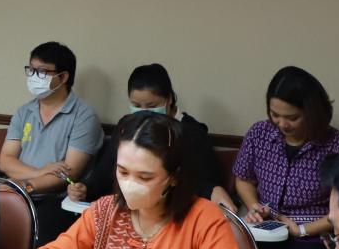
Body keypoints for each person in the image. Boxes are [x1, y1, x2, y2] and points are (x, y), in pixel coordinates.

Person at [23, 114, 251, 249]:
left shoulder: (203, 217)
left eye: (145, 177)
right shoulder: (105, 211)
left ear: (174, 177)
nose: (130, 184)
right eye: (123, 172)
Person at [232, 66, 339, 249]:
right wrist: (254, 206)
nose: (282, 124)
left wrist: (301, 229)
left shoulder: (338, 146)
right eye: (275, 115)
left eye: (292, 117)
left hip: (315, 238)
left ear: (313, 112)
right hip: (266, 230)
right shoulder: (260, 133)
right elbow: (243, 178)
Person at [69, 64, 232, 211]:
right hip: (126, 209)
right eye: (136, 106)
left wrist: (211, 191)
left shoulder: (191, 132)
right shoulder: (125, 127)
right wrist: (85, 188)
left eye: (152, 106)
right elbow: (104, 172)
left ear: (168, 100)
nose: (144, 112)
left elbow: (204, 182)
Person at [0, 42, 103, 243]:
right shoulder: (24, 112)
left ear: (63, 77)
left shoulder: (84, 116)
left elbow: (68, 174)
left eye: (42, 72)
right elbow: (6, 161)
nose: (33, 77)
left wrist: (24, 187)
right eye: (31, 70)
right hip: (16, 189)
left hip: (55, 199)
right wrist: (39, 172)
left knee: (38, 230)